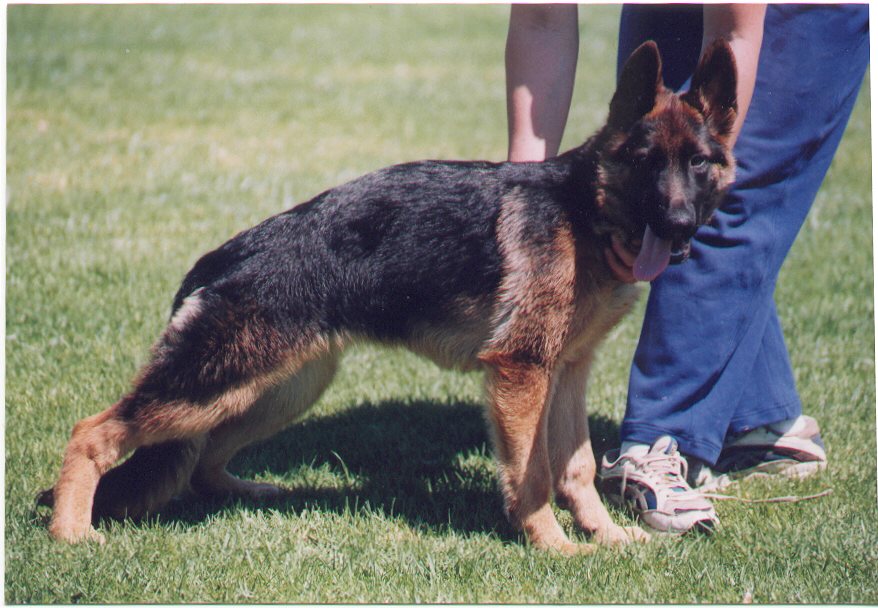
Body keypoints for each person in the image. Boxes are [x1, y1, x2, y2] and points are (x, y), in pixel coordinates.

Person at [505, 4, 869, 533]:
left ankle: (662, 440)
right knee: (650, 160)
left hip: (795, 18)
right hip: (668, 10)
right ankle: (760, 422)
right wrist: (524, 203)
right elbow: (542, 21)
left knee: (708, 207)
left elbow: (734, 36)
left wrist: (690, 202)